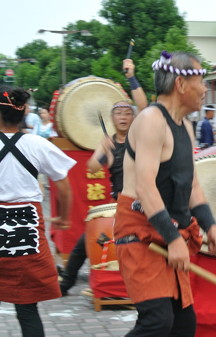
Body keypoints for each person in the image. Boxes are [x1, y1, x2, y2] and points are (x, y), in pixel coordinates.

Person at [79, 51, 216, 337]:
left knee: (182, 325)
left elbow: (192, 184)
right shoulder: (150, 121)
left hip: (170, 229)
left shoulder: (184, 125)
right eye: (201, 82)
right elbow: (145, 185)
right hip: (141, 230)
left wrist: (210, 225)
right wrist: (174, 238)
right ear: (181, 84)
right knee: (158, 320)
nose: (205, 90)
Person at [0, 86, 75, 337]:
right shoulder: (36, 143)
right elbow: (65, 186)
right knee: (25, 302)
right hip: (25, 223)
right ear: (24, 113)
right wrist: (63, 217)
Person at [58, 59, 148, 296]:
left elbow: (144, 105)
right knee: (89, 237)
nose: (123, 117)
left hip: (144, 202)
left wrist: (131, 77)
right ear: (112, 118)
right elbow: (90, 167)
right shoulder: (107, 142)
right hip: (120, 202)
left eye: (127, 113)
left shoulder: (138, 134)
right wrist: (103, 152)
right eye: (118, 113)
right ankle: (67, 282)